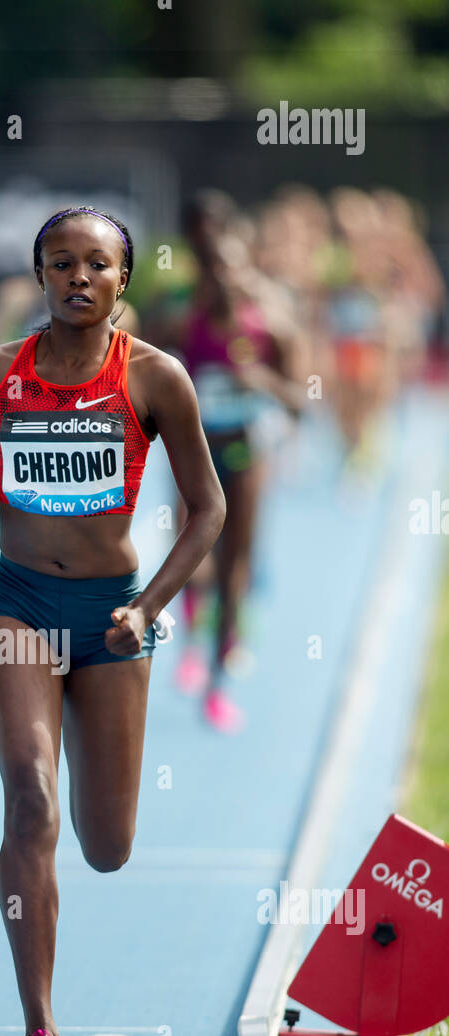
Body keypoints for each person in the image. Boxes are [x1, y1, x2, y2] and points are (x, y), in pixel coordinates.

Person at [0, 206, 225, 1036]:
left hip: (112, 617)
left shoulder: (157, 379)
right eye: (59, 263)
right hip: (19, 604)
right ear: (39, 276)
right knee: (29, 801)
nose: (77, 278)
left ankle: (96, 845)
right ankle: (41, 1032)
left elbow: (208, 508)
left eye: (94, 265)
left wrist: (148, 609)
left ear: (121, 281)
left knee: (106, 846)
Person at [176, 225, 305, 732]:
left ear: (247, 269)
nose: (225, 276)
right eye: (214, 267)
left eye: (233, 266)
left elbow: (301, 399)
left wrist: (265, 382)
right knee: (190, 554)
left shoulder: (270, 328)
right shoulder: (182, 326)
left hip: (245, 454)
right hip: (195, 455)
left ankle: (217, 681)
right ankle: (189, 639)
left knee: (235, 567)